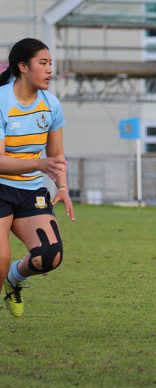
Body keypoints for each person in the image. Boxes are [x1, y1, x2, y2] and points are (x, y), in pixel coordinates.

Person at [0, 38, 75, 319]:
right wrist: (40, 163)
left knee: (49, 255)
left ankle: (14, 280)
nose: (49, 70)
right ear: (22, 66)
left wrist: (63, 186)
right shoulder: (2, 101)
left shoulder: (51, 104)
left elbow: (56, 156)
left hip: (30, 191)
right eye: (42, 63)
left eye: (50, 64)